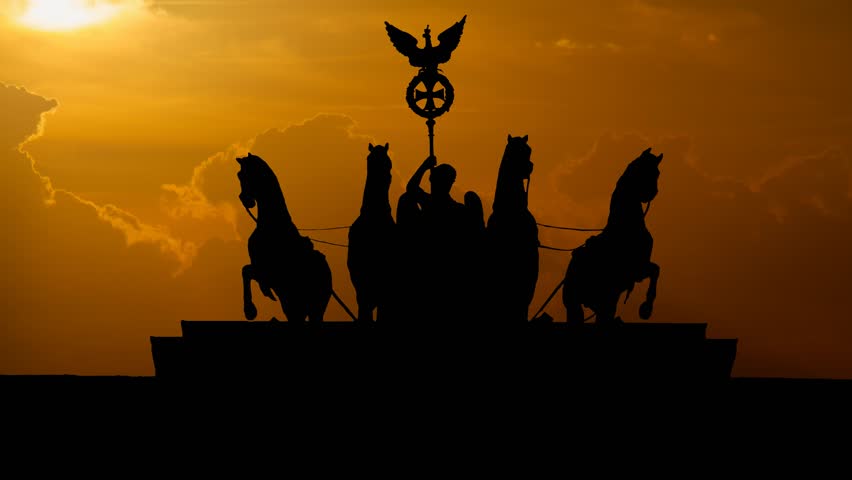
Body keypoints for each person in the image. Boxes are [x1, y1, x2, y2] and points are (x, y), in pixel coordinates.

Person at [397, 155, 483, 325]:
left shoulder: (447, 208)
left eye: (435, 180)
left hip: (439, 275)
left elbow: (411, 187)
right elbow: (411, 189)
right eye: (433, 180)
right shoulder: (454, 209)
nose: (434, 184)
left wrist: (424, 166)